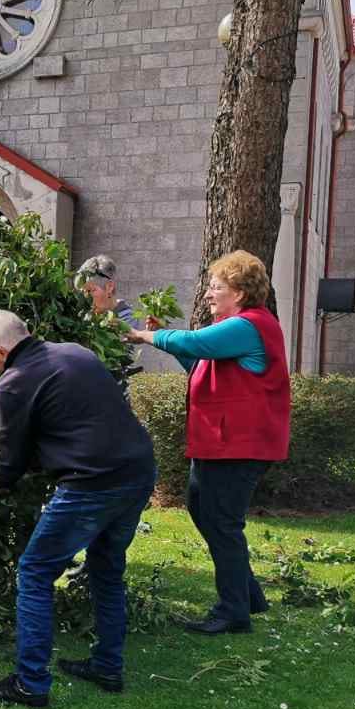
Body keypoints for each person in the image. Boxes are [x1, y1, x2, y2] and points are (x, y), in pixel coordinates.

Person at [0, 310, 158, 707]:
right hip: (138, 470)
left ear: (0, 352)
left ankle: (30, 683)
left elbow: (12, 458)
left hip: (92, 483)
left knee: (35, 572)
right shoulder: (76, 353)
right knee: (107, 569)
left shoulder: (12, 384)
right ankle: (108, 665)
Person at [125, 250, 291, 635]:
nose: (207, 295)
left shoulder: (250, 325)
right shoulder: (238, 328)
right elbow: (199, 363)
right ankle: (248, 595)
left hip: (238, 445)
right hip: (220, 443)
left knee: (222, 522)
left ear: (239, 291)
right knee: (205, 512)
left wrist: (143, 334)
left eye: (215, 287)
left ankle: (233, 612)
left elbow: (195, 343)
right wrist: (168, 339)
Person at [74, 254, 138, 330]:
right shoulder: (84, 317)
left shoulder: (128, 319)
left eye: (90, 290)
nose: (85, 297)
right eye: (82, 292)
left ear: (110, 287)